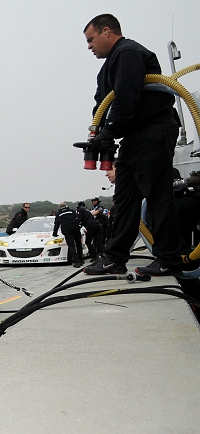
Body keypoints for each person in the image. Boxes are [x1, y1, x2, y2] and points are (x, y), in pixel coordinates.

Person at [81, 14, 183, 276]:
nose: (89, 46)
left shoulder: (128, 53)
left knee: (157, 195)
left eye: (91, 40)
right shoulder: (107, 68)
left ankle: (169, 258)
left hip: (153, 130)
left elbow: (127, 94)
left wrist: (111, 130)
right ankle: (115, 257)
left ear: (107, 32)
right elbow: (102, 102)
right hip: (133, 136)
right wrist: (98, 132)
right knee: (125, 198)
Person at [53, 202, 84, 267]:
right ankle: (81, 260)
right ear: (67, 206)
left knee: (71, 246)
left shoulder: (58, 214)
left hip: (67, 230)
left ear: (59, 208)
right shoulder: (72, 211)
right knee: (78, 244)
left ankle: (76, 261)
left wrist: (55, 234)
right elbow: (78, 218)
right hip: (75, 228)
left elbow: (56, 225)